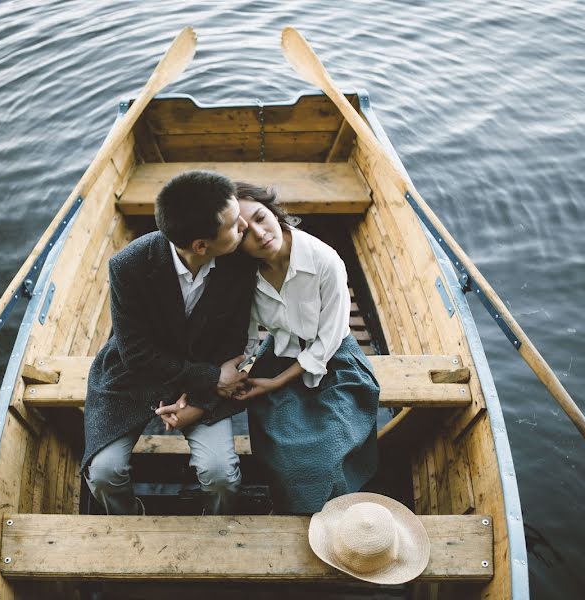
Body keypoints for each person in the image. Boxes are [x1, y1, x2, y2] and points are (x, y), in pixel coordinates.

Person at [82, 171, 257, 516]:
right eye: (235, 224)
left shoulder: (241, 262)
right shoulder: (128, 266)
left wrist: (199, 402)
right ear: (201, 246)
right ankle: (130, 520)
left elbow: (235, 342)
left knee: (221, 476)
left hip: (209, 375)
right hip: (136, 377)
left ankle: (216, 524)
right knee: (103, 473)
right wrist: (209, 379)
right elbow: (136, 354)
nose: (244, 228)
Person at [232, 182, 381, 515]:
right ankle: (291, 506)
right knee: (285, 454)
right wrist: (237, 372)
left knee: (328, 456)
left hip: (334, 361)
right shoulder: (243, 274)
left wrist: (277, 382)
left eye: (261, 217)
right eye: (243, 232)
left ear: (273, 211)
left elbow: (328, 340)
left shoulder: (324, 260)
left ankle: (335, 512)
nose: (259, 233)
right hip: (278, 358)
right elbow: (248, 339)